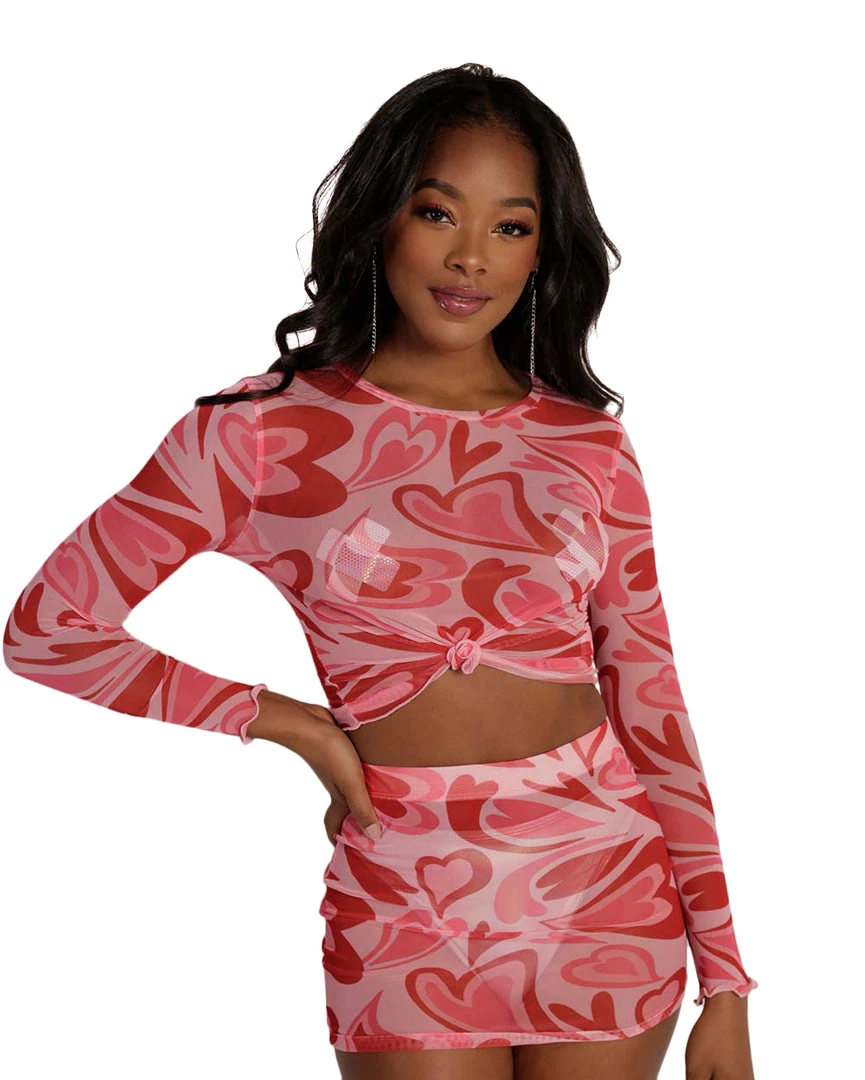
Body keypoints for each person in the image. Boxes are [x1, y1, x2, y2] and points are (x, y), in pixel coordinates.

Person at [3, 63, 757, 1080]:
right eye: (436, 211)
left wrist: (725, 981)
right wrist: (295, 725)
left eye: (511, 226)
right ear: (379, 216)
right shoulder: (261, 433)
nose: (469, 257)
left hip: (603, 881)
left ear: (544, 250)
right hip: (407, 895)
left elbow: (649, 696)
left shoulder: (589, 447)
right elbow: (49, 630)